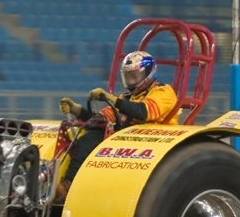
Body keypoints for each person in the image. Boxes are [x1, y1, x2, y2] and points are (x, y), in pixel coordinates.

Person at [56, 51, 179, 200]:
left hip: (158, 142)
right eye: (128, 77)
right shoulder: (127, 98)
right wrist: (78, 110)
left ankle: (69, 185)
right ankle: (68, 182)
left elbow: (143, 112)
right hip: (133, 141)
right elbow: (101, 120)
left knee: (91, 139)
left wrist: (112, 99)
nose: (131, 81)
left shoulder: (164, 92)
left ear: (148, 73)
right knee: (88, 134)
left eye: (135, 76)